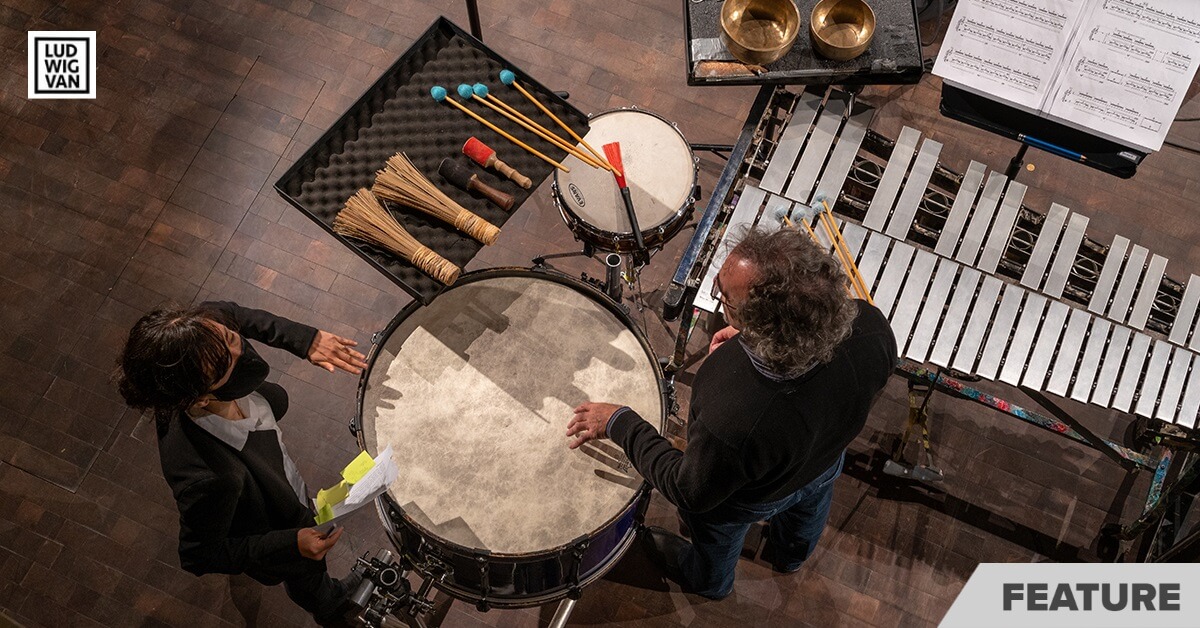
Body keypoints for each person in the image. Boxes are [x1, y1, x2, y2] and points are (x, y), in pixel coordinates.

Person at [566, 228, 897, 600]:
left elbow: (689, 491)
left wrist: (620, 422)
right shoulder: (871, 328)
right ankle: (790, 557)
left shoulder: (732, 412)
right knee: (810, 503)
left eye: (725, 298)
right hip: (823, 463)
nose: (719, 299)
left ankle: (710, 582)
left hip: (753, 498)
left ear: (766, 324)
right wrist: (749, 344)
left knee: (715, 529)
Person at [116, 301, 369, 626]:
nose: (239, 351)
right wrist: (291, 545)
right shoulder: (209, 477)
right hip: (276, 528)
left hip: (279, 483)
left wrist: (306, 340)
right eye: (225, 363)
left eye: (229, 337)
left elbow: (236, 315)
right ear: (200, 398)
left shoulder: (203, 329)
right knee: (306, 574)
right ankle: (330, 607)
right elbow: (199, 555)